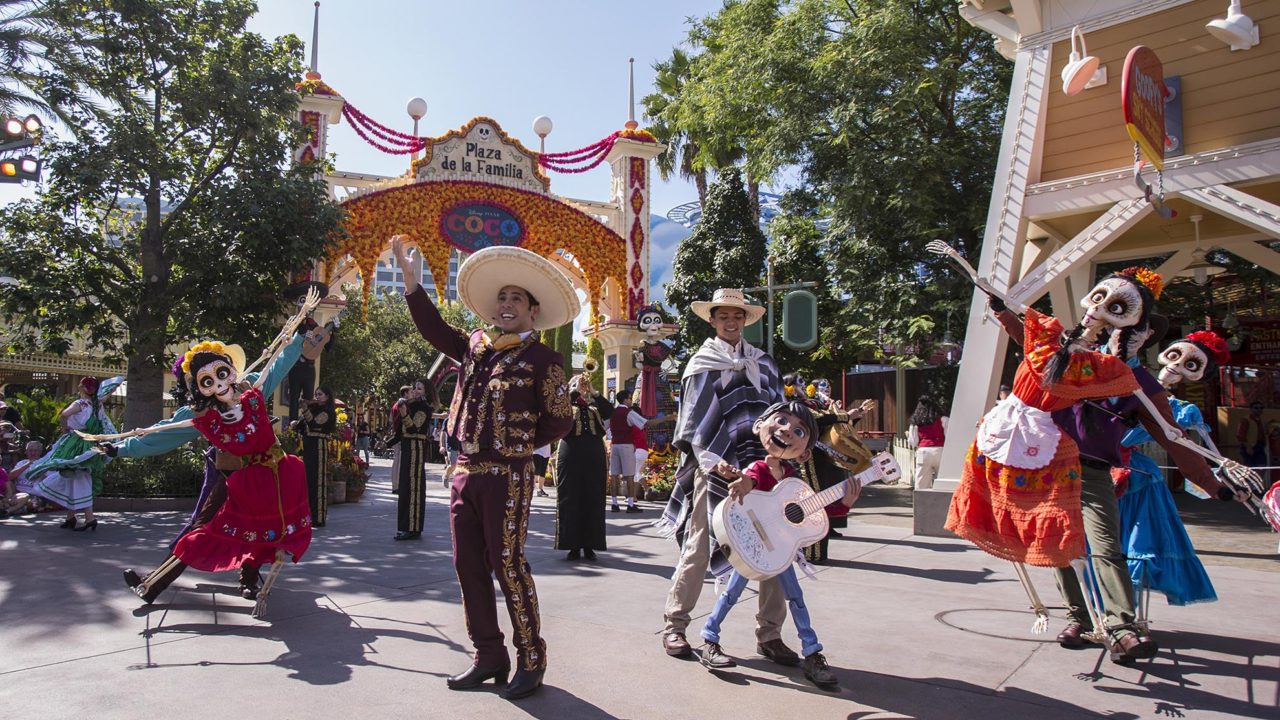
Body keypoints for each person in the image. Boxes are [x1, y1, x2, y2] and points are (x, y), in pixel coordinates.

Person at [395, 236, 574, 700]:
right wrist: (413, 286)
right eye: (502, 298)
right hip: (464, 472)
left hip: (508, 476)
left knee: (507, 565)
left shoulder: (543, 360)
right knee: (466, 564)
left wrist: (517, 447)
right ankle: (488, 655)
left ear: (533, 312)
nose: (507, 303)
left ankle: (531, 657)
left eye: (517, 298)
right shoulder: (475, 346)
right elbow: (436, 331)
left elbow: (560, 420)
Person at [99, 295, 319, 606]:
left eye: (221, 373)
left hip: (272, 475)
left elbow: (279, 365)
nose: (218, 384)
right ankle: (153, 584)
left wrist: (300, 334)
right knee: (203, 528)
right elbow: (160, 437)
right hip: (229, 477)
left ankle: (247, 578)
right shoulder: (200, 414)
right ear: (198, 387)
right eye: (207, 381)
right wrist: (119, 450)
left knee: (261, 527)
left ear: (230, 369)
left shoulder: (251, 389)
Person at [658, 288, 796, 667]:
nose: (730, 322)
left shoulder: (764, 364)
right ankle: (675, 624)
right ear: (713, 320)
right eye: (723, 316)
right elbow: (693, 424)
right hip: (715, 468)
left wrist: (774, 459)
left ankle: (770, 634)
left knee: (774, 548)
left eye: (737, 316)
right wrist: (714, 462)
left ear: (745, 320)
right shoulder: (702, 363)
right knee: (700, 547)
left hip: (761, 469)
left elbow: (779, 417)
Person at [698, 400, 858, 688]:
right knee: (731, 593)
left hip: (781, 551)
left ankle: (812, 652)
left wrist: (844, 504)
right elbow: (749, 481)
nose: (787, 431)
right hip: (751, 546)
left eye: (799, 430)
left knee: (796, 598)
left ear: (805, 451)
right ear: (761, 425)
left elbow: (814, 512)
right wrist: (744, 484)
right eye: (782, 421)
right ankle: (709, 638)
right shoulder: (758, 468)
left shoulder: (793, 480)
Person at [1116, 330, 1232, 607]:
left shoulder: (1177, 408)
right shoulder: (1127, 377)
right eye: (1175, 356)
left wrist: (1219, 484)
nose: (1175, 366)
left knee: (1134, 546)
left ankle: (1124, 616)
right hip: (1088, 465)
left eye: (1190, 365)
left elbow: (1194, 451)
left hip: (1134, 478)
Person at [28, 376, 121, 531]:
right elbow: (106, 395)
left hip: (77, 443)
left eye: (81, 384)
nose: (78, 385)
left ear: (84, 388)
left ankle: (90, 518)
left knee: (79, 477)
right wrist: (113, 387)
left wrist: (64, 428)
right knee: (72, 477)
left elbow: (64, 414)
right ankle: (71, 517)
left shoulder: (81, 403)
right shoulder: (97, 402)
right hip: (92, 443)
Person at [554, 372, 612, 561]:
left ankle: (590, 545)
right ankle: (572, 545)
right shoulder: (565, 401)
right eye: (578, 383)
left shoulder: (594, 403)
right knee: (570, 496)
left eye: (583, 383)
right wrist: (573, 391)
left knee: (594, 496)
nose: (582, 386)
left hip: (594, 452)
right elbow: (556, 410)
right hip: (571, 450)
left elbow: (609, 410)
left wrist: (593, 392)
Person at [394, 379, 436, 541]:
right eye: (414, 388)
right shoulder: (411, 405)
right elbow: (402, 430)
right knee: (404, 487)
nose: (415, 391)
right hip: (406, 449)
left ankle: (412, 528)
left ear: (425, 392)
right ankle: (405, 526)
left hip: (415, 450)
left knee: (412, 487)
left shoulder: (424, 408)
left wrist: (404, 414)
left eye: (419, 388)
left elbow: (413, 428)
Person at [296, 386, 336, 528]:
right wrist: (297, 424)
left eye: (320, 394)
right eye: (316, 394)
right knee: (308, 481)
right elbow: (305, 424)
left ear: (327, 396)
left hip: (319, 447)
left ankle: (318, 517)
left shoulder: (328, 411)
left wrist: (305, 409)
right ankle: (308, 515)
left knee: (318, 482)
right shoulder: (315, 408)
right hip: (309, 448)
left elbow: (313, 424)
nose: (317, 397)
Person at [608, 390, 648, 513]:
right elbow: (646, 423)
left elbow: (605, 427)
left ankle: (614, 503)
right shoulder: (628, 412)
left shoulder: (612, 413)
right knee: (630, 475)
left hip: (615, 445)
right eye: (630, 398)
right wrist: (667, 418)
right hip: (626, 445)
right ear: (625, 400)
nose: (631, 400)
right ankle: (631, 504)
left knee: (614, 475)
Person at [906, 397, 948, 490]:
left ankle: (921, 503)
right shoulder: (943, 419)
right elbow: (949, 436)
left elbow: (913, 442)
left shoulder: (916, 422)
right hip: (940, 450)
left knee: (921, 483)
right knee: (943, 481)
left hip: (923, 451)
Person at [2, 440, 45, 515]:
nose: (33, 453)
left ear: (40, 452)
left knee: (31, 503)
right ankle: (15, 508)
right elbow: (10, 477)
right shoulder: (22, 463)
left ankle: (8, 510)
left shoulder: (45, 463)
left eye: (35, 451)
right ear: (26, 452)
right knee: (9, 484)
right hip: (18, 492)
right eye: (30, 450)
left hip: (33, 494)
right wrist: (27, 465)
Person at [387, 385, 410, 494]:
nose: (412, 394)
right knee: (400, 462)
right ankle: (398, 486)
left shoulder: (394, 405)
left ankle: (395, 485)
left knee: (396, 461)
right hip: (401, 436)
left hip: (396, 435)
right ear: (405, 393)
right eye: (410, 392)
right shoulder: (404, 404)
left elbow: (391, 420)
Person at [1237, 401, 1267, 468]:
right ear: (1251, 409)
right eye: (1256, 408)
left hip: (1260, 446)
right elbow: (1240, 435)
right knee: (1249, 468)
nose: (1259, 410)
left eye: (1261, 408)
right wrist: (1248, 447)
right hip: (1249, 447)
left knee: (1261, 467)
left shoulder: (1261, 421)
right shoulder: (1246, 420)